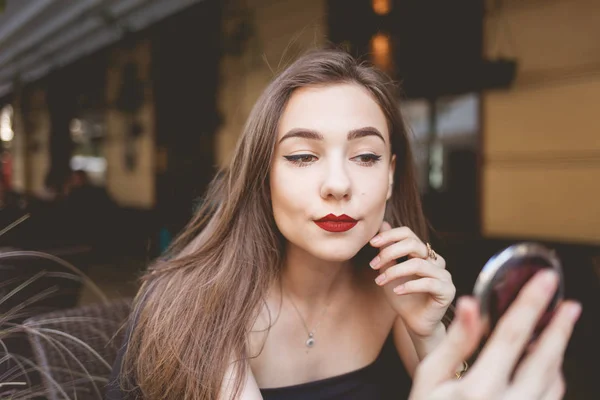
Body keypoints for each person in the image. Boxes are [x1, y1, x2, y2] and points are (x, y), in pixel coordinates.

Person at [106, 49, 580, 400]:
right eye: (303, 156)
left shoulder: (402, 296)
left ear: (391, 175)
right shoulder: (201, 305)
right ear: (261, 176)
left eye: (366, 156)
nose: (338, 184)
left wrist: (430, 332)